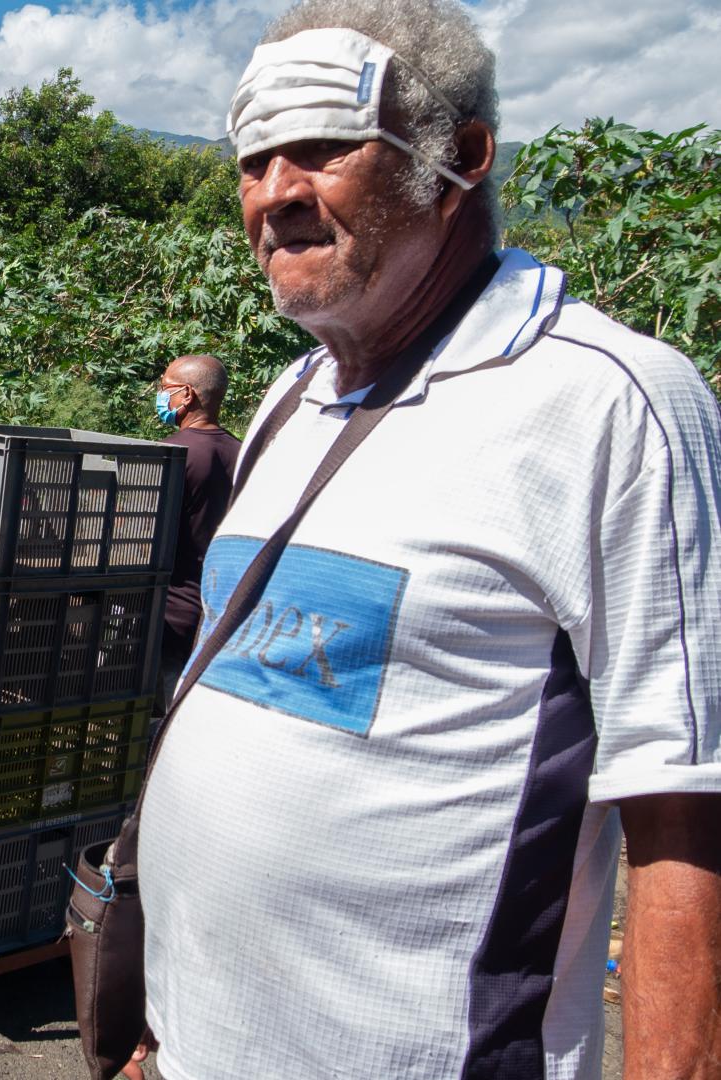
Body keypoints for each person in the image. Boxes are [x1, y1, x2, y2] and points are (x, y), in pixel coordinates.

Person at [134, 3, 721, 1079]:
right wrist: (163, 1031)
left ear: (461, 157)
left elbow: (685, 809)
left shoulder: (610, 402)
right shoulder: (293, 396)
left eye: (324, 146)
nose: (276, 192)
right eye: (254, 159)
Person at [153, 354, 239, 708]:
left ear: (186, 394)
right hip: (216, 612)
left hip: (170, 616)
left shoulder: (173, 454)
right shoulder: (243, 453)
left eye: (165, 388)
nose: (161, 395)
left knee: (158, 718)